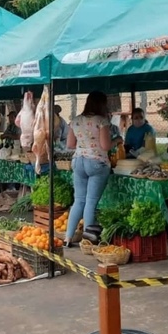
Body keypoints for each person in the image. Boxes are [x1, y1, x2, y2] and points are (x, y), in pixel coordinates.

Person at [64, 91, 121, 247]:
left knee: (78, 201)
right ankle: (88, 241)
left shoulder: (75, 121)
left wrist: (84, 144)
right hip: (97, 163)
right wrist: (117, 140)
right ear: (102, 104)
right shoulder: (102, 121)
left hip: (78, 161)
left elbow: (69, 145)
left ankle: (68, 237)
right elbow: (105, 146)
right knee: (90, 202)